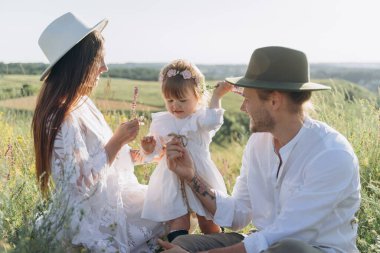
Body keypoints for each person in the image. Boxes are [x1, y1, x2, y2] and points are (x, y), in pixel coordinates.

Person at [160, 46, 361, 253]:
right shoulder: (258, 143)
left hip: (313, 248)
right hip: (263, 243)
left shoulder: (331, 154)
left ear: (274, 101)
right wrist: (191, 177)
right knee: (183, 245)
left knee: (289, 250)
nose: (242, 107)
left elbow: (286, 233)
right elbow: (238, 214)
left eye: (248, 98)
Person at [32, 12, 163, 252]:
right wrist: (118, 139)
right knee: (170, 209)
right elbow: (82, 184)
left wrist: (141, 153)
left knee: (172, 200)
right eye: (98, 60)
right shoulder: (61, 118)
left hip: (111, 197)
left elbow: (102, 157)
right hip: (92, 214)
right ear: (79, 64)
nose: (105, 67)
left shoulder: (82, 102)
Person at [140, 59, 229, 242]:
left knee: (207, 220)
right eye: (170, 100)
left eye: (182, 100)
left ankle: (217, 245)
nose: (175, 106)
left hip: (199, 174)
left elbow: (214, 120)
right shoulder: (162, 121)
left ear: (197, 96)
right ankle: (179, 245)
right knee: (177, 218)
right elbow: (156, 149)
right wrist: (149, 147)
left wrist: (217, 97)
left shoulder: (200, 119)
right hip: (170, 176)